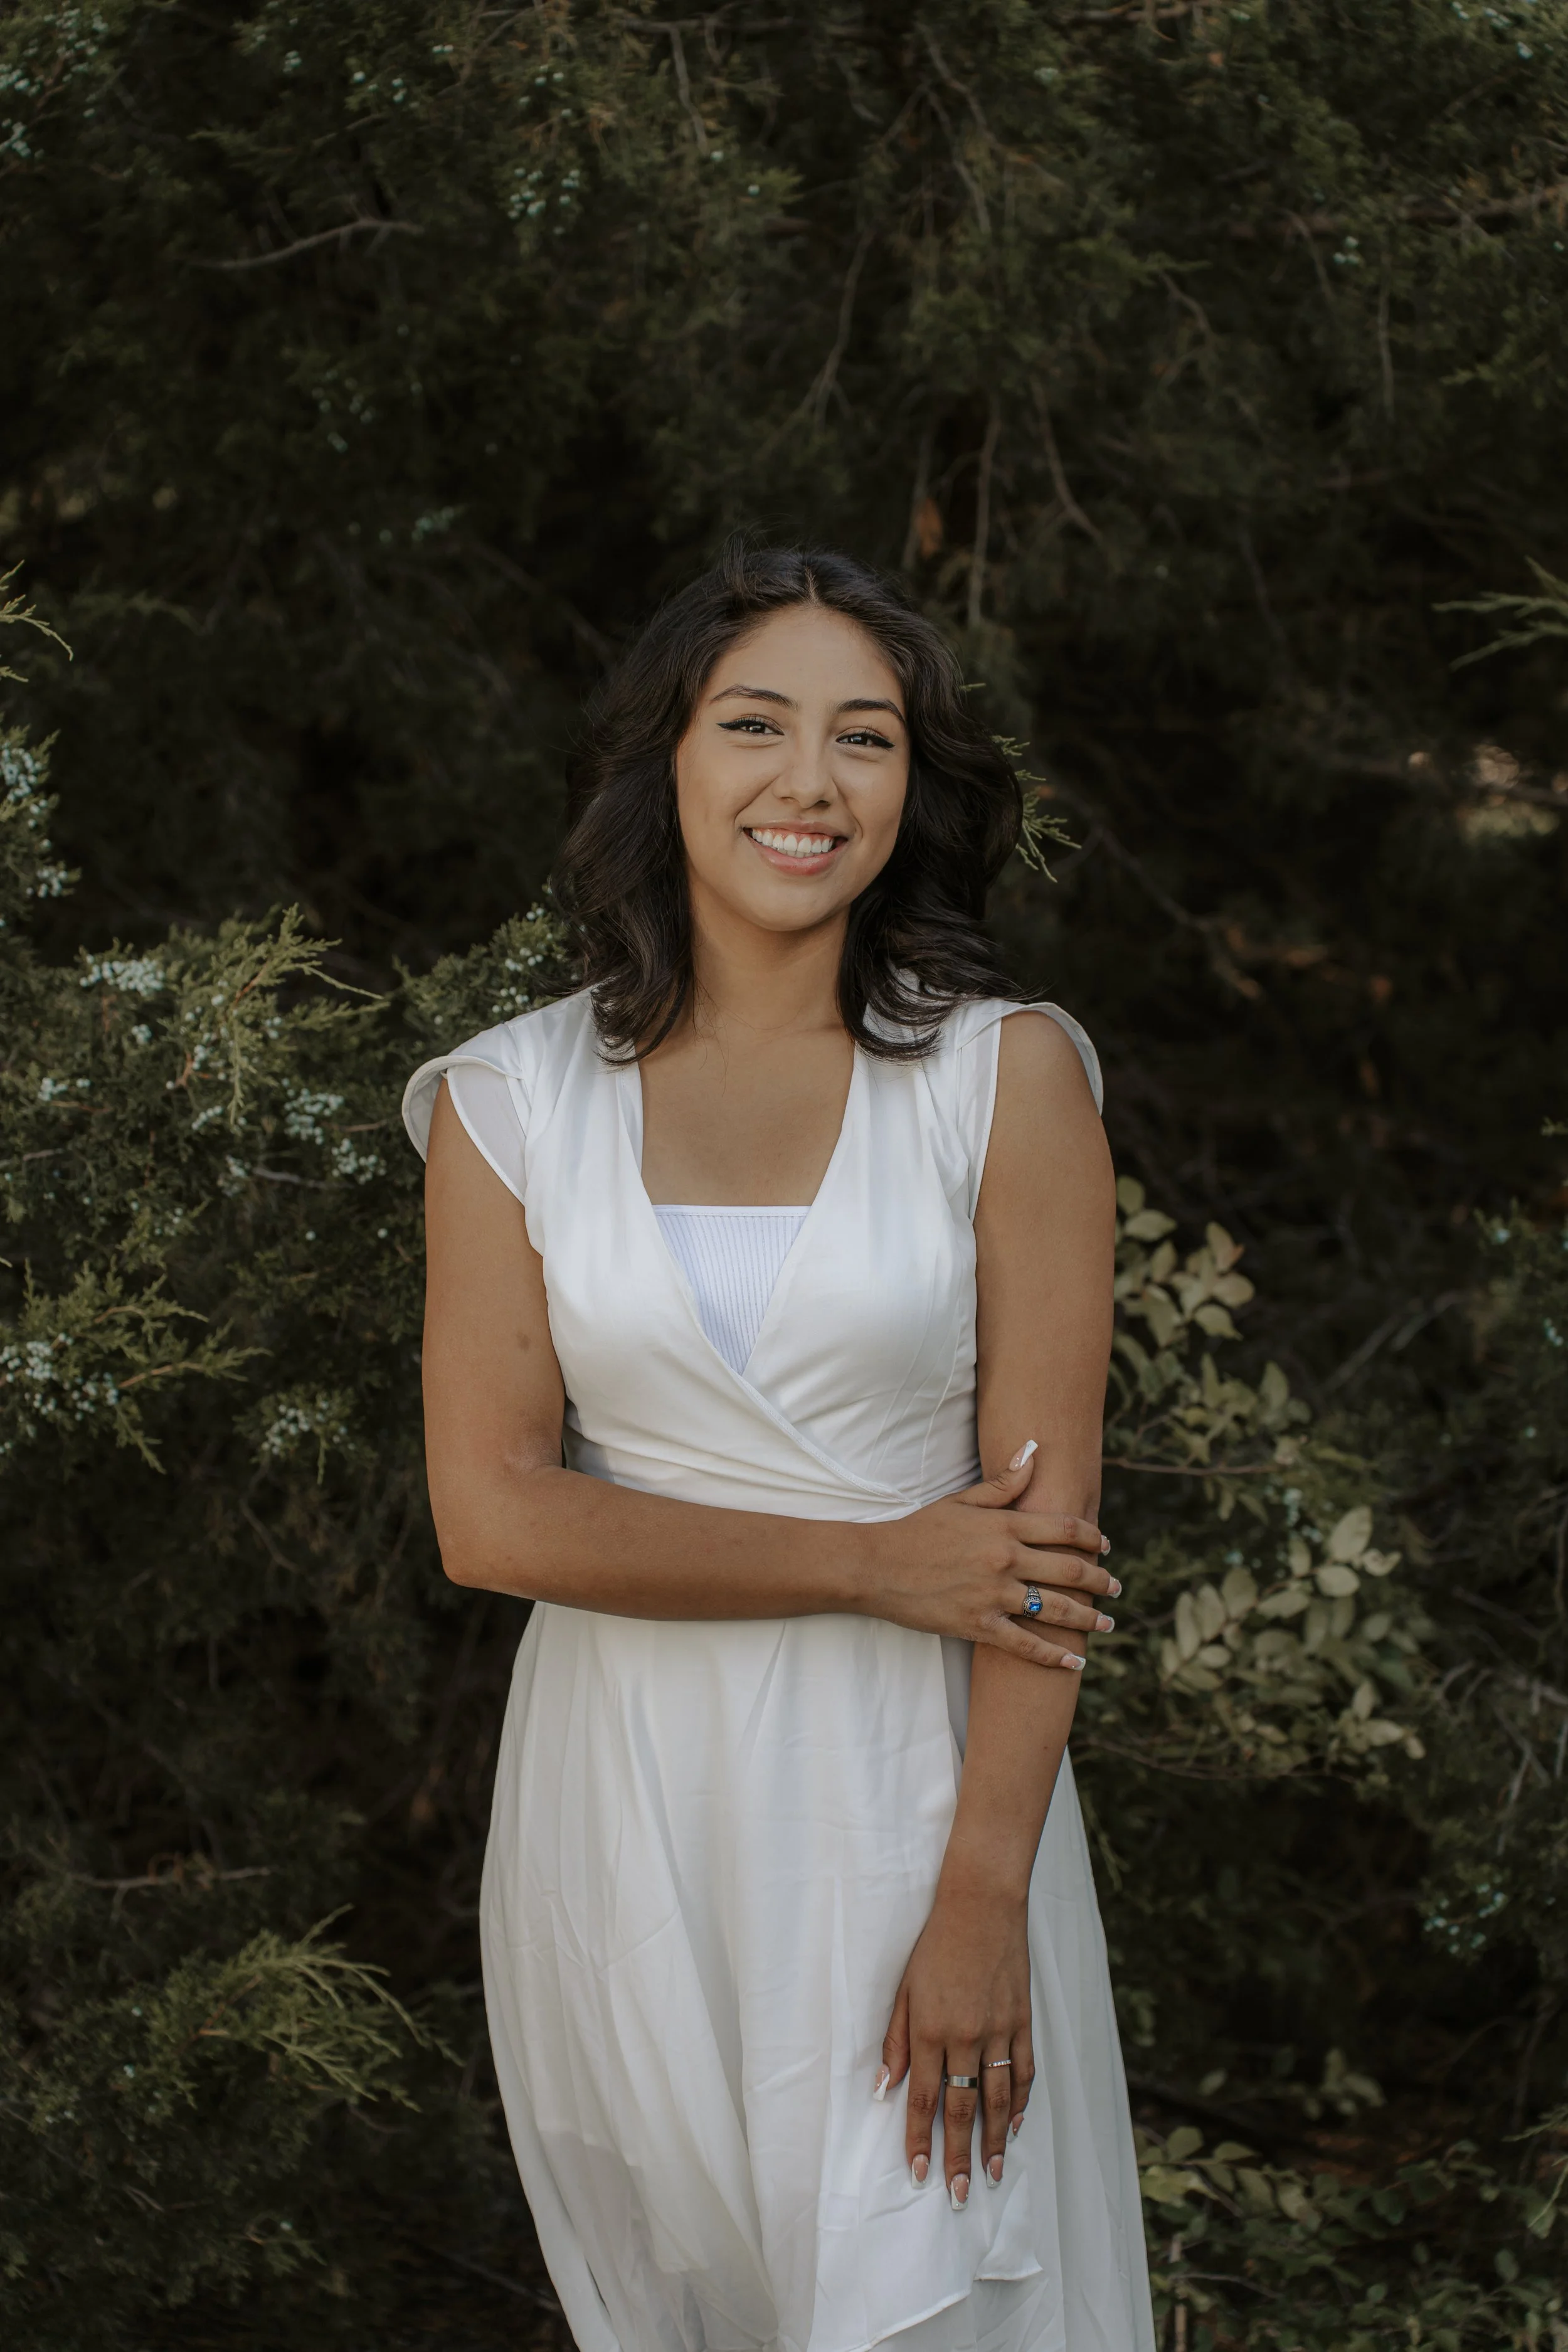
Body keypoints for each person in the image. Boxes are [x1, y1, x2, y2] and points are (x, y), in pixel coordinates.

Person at [405, 543, 1156, 2352]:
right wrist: (869, 1556)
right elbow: (491, 1517)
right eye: (756, 724)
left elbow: (1044, 1551)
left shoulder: (1008, 1079)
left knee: (939, 2292)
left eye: (865, 737)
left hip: (915, 1808)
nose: (808, 784)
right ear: (666, 758)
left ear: (916, 784)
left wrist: (982, 1891)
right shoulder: (510, 1105)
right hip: (627, 1809)